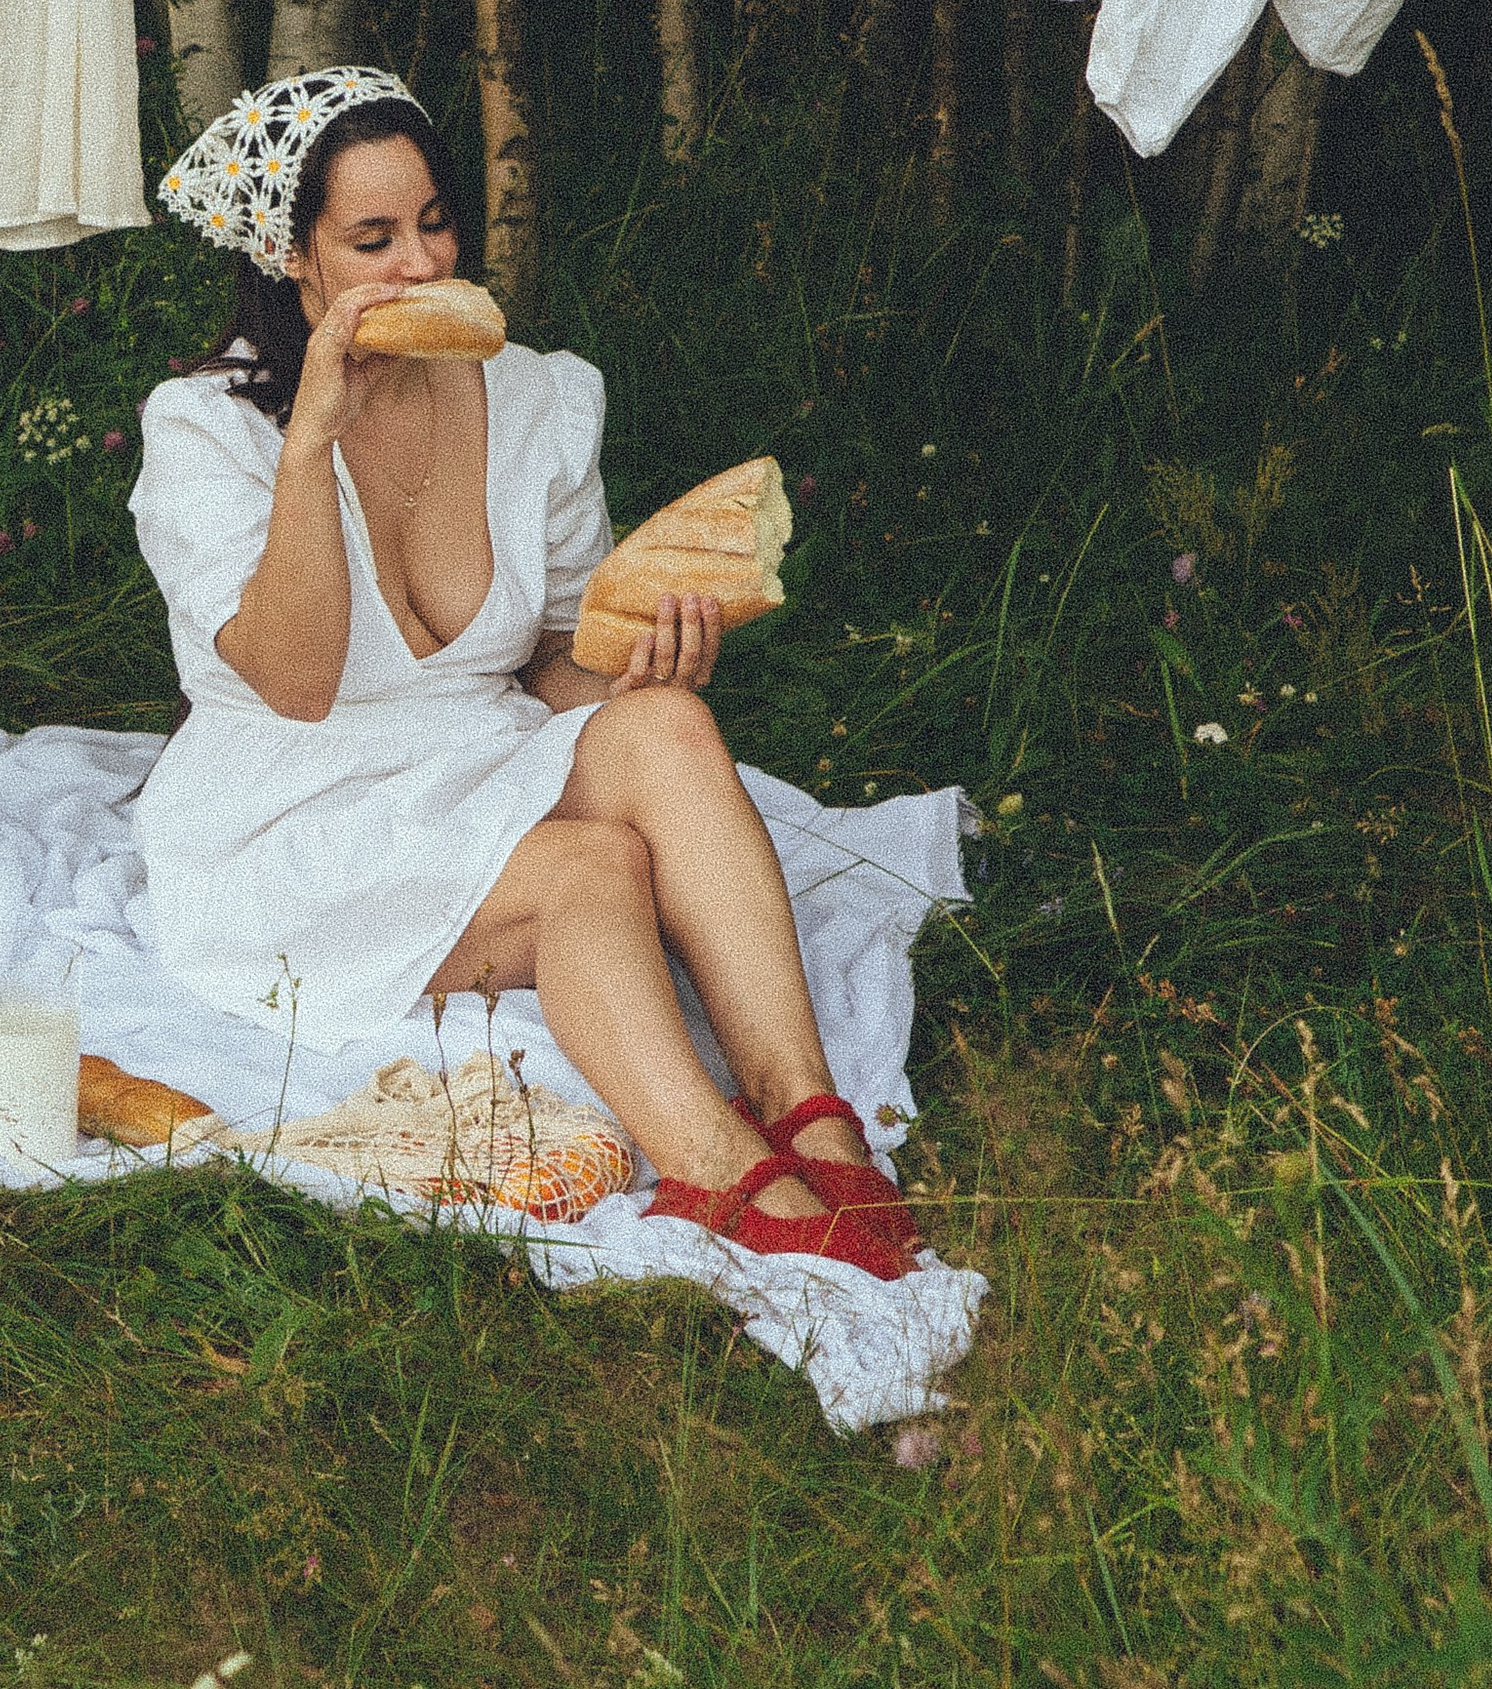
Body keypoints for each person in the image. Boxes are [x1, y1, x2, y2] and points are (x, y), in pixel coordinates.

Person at [130, 63, 921, 1273]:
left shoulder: (538, 396)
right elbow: (292, 681)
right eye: (372, 238)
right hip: (294, 818)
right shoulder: (205, 431)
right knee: (591, 869)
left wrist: (635, 668)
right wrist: (314, 440)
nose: (419, 265)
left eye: (435, 223)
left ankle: (809, 1114)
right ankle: (717, 1175)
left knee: (667, 729)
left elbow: (550, 662)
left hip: (472, 759)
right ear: (297, 260)